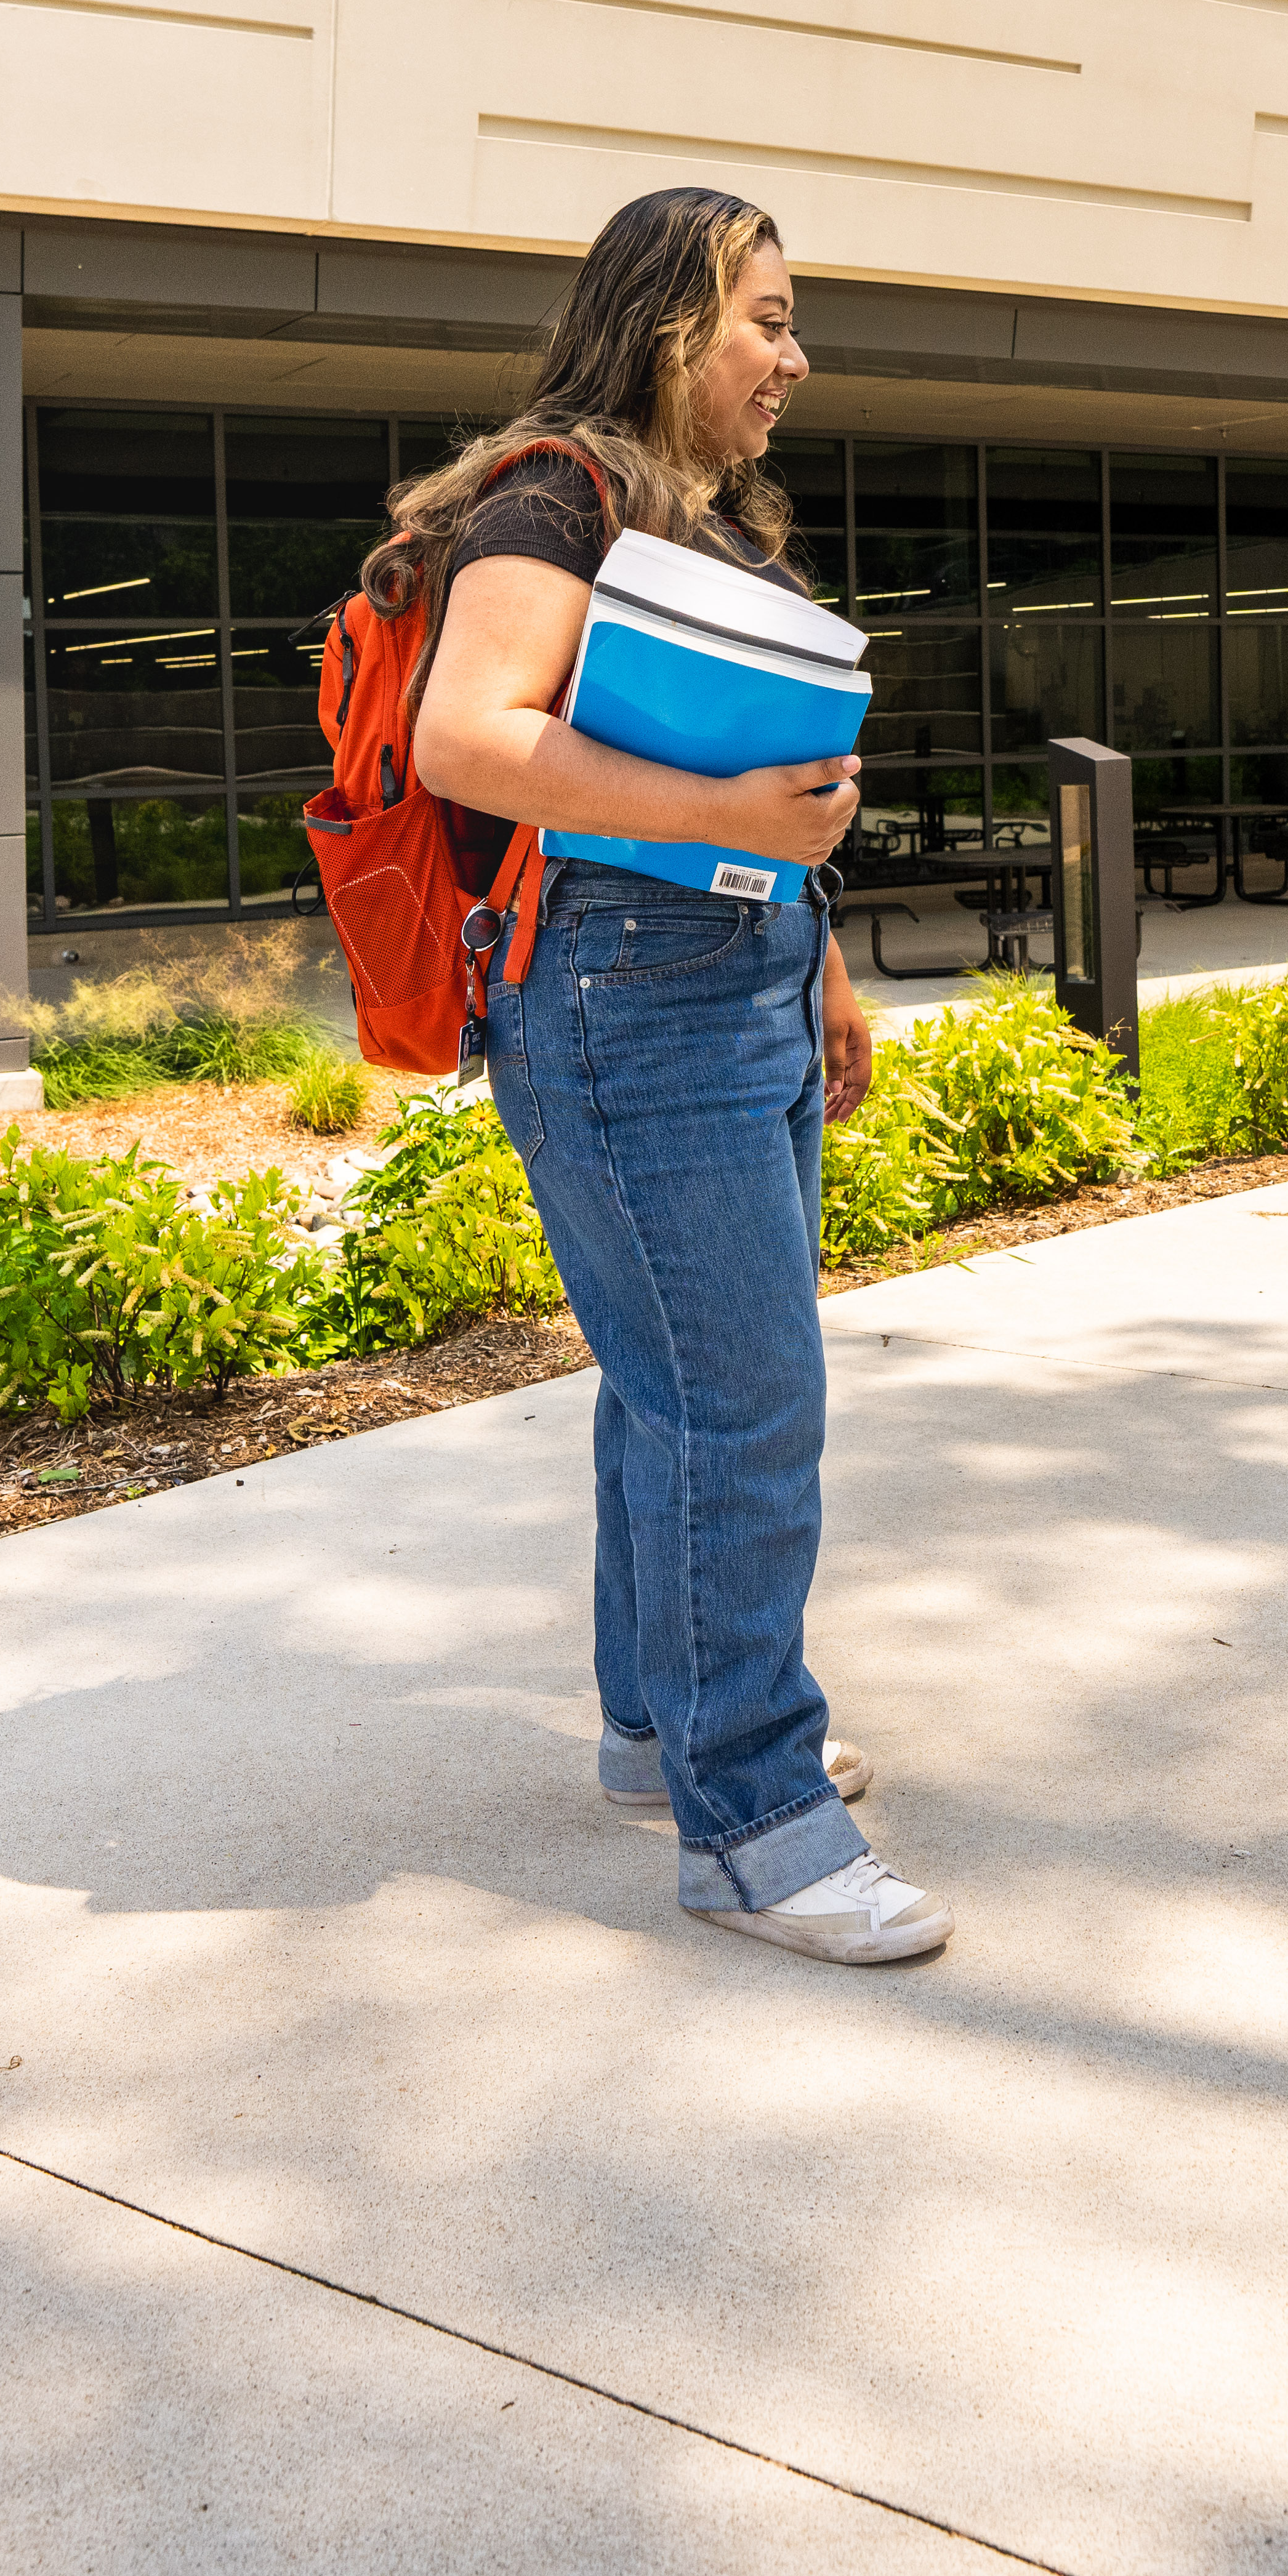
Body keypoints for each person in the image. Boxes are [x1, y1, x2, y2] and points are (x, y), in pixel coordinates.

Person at [379, 185, 950, 1965]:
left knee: (671, 1392)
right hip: (627, 1004)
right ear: (668, 326)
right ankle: (756, 1824)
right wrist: (724, 826)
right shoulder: (555, 498)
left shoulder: (706, 521)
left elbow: (764, 771)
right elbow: (466, 736)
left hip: (739, 978)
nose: (796, 356)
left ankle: (660, 1728)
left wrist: (824, 958)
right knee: (743, 1405)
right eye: (768, 320)